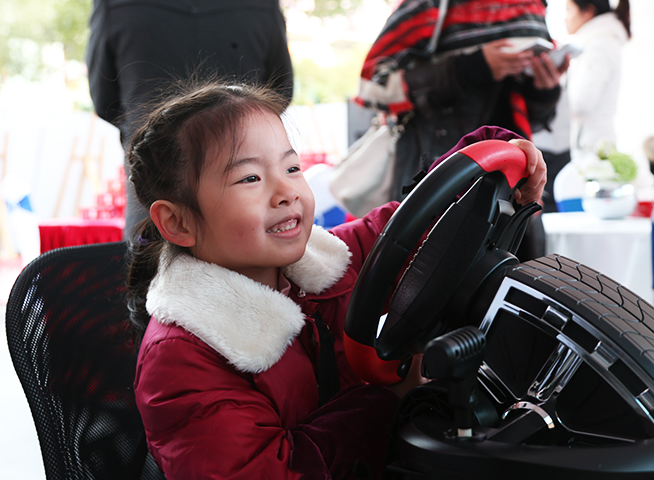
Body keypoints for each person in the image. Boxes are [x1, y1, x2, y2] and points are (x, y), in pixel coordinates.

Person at [126, 79, 547, 479]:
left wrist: (497, 150)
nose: (286, 192)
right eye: (250, 178)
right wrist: (388, 399)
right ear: (178, 223)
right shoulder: (181, 358)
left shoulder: (318, 263)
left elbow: (407, 229)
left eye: (292, 168)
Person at [356, 0, 567, 260]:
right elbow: (372, 87)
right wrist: (471, 67)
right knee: (428, 275)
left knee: (509, 275)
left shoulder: (533, 6)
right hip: (439, 177)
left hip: (514, 184)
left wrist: (544, 91)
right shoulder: (429, 4)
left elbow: (522, 114)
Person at [86, 0, 294, 236]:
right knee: (256, 252)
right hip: (248, 182)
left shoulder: (115, 5)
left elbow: (105, 101)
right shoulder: (261, 4)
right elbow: (279, 92)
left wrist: (152, 133)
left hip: (154, 179)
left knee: (151, 252)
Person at [550, 0, 631, 210]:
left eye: (568, 10)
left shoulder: (599, 44)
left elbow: (581, 102)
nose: (565, 18)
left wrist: (552, 82)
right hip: (591, 145)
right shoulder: (597, 41)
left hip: (591, 149)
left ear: (588, 12)